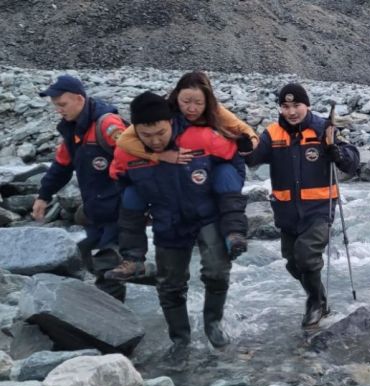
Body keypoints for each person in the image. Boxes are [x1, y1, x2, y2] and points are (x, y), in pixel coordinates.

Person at [109, 92, 244, 353]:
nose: (155, 140)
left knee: (217, 271)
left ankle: (213, 324)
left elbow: (234, 158)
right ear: (135, 131)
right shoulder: (127, 152)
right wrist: (141, 199)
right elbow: (120, 179)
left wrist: (229, 189)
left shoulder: (200, 138)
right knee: (170, 285)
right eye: (146, 136)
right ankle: (180, 340)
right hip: (167, 218)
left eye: (161, 132)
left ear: (171, 121)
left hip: (206, 213)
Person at [110, 71, 254, 277]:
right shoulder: (155, 117)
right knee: (131, 196)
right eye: (186, 101)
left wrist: (250, 143)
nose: (192, 108)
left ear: (208, 102)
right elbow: (121, 156)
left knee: (225, 177)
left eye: (198, 103)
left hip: (202, 190)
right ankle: (133, 259)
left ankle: (234, 233)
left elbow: (242, 138)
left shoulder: (211, 124)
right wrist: (158, 157)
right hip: (169, 206)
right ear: (176, 98)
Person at [245, 83, 360, 328]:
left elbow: (351, 163)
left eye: (296, 105)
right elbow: (253, 158)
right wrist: (242, 144)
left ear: (306, 105)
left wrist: (334, 150)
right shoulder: (273, 133)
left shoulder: (323, 129)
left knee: (307, 256)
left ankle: (315, 302)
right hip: (286, 212)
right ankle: (319, 297)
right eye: (285, 106)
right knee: (292, 262)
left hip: (318, 208)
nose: (291, 111)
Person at [32, 75, 129, 301]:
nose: (59, 110)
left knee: (108, 261)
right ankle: (143, 274)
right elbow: (61, 165)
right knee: (86, 251)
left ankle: (113, 323)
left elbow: (138, 162)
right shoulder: (72, 130)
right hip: (96, 208)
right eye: (55, 105)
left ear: (79, 99)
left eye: (62, 105)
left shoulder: (108, 125)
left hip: (120, 208)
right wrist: (43, 196)